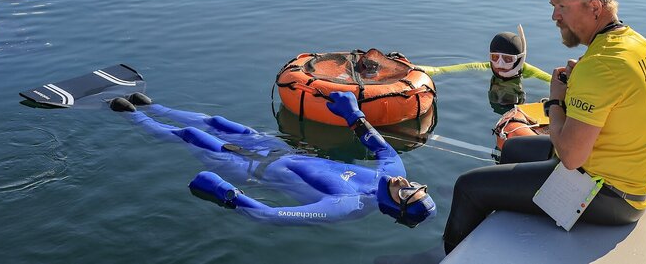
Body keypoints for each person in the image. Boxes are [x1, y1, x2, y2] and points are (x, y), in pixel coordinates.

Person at [442, 0, 646, 253]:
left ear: (595, 8)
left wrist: (556, 100)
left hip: (612, 197)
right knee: (512, 150)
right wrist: (581, 81)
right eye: (553, 5)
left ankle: (450, 256)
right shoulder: (634, 43)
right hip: (632, 182)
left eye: (562, 6)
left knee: (469, 188)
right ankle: (505, 228)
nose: (554, 16)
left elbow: (572, 158)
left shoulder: (600, 66)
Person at [109, 89, 436, 227]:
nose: (405, 182)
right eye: (416, 184)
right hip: (278, 150)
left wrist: (228, 195)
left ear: (397, 207)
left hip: (249, 168)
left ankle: (134, 117)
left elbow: (271, 215)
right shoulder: (389, 175)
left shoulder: (346, 206)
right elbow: (382, 148)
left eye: (408, 192)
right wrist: (354, 116)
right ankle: (155, 107)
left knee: (192, 136)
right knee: (218, 123)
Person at [420, 25, 552, 111]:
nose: (499, 64)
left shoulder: (534, 76)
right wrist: (410, 67)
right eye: (495, 58)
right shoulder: (483, 68)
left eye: (507, 59)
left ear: (519, 59)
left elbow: (560, 84)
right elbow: (440, 71)